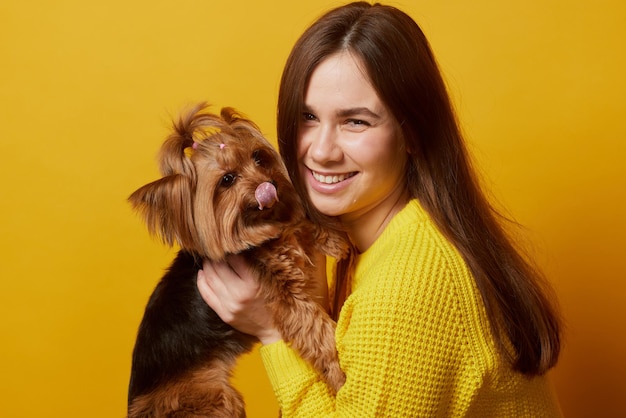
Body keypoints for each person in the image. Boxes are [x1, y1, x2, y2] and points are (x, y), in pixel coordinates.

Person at [197, 2, 563, 416]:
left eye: (356, 122)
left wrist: (273, 333)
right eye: (308, 117)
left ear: (412, 134)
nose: (321, 150)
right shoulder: (360, 248)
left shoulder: (412, 281)